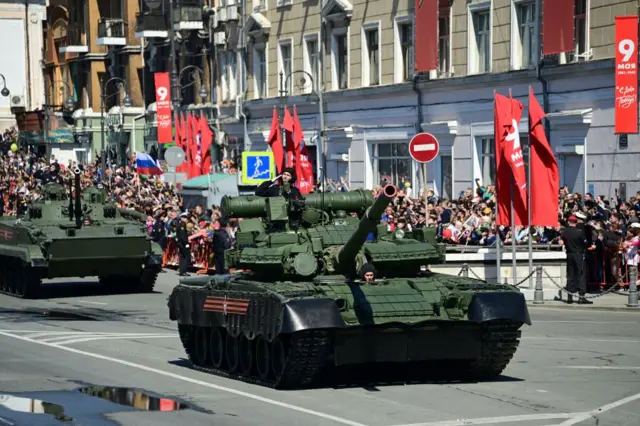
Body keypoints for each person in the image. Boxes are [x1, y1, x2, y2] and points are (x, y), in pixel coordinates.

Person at [560, 215, 593, 304]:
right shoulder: (580, 232)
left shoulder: (565, 232)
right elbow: (585, 243)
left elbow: (562, 241)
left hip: (569, 254)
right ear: (576, 222)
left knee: (570, 275)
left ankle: (569, 297)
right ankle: (581, 297)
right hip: (579, 254)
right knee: (581, 274)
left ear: (569, 222)